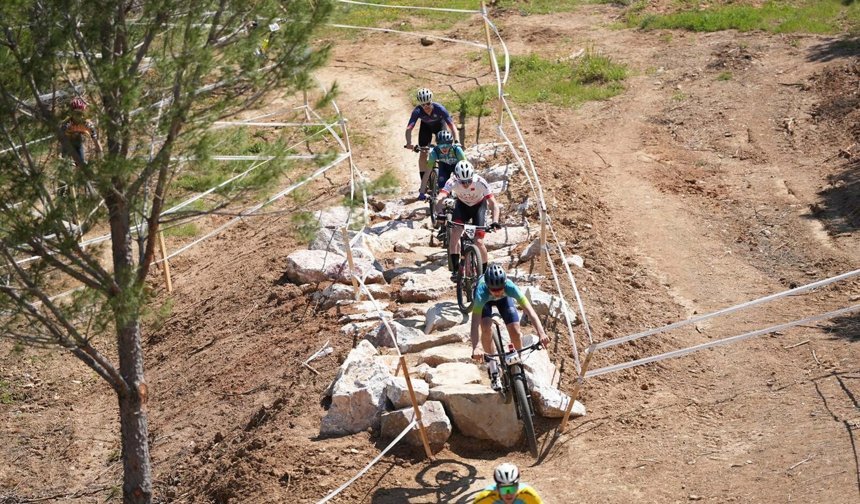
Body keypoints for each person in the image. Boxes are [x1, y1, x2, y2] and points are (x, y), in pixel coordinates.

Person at [470, 264, 550, 390]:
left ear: (505, 283)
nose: (497, 293)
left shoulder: (510, 287)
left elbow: (530, 312)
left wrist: (541, 333)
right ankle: (493, 368)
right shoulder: (481, 292)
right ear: (487, 286)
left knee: (516, 331)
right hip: (485, 302)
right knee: (485, 326)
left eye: (500, 289)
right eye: (494, 290)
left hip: (504, 300)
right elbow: (475, 324)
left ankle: (517, 362)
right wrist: (476, 346)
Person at [434, 160, 498, 282]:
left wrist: (495, 221)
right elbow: (439, 198)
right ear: (457, 178)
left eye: (468, 181)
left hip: (479, 207)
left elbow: (493, 203)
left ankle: (483, 275)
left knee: (479, 242)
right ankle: (456, 270)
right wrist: (440, 214)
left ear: (472, 177)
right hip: (462, 207)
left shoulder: (480, 182)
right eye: (462, 182)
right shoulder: (452, 181)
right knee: (455, 236)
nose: (466, 184)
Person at [404, 87, 459, 200]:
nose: (426, 107)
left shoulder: (440, 109)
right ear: (420, 105)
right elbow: (409, 128)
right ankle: (424, 182)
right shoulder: (417, 111)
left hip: (440, 126)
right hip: (426, 129)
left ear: (431, 101)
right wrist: (409, 143)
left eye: (428, 103)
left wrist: (457, 141)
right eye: (423, 105)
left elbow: (452, 126)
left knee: (445, 151)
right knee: (423, 153)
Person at [59, 97, 102, 168]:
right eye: (76, 113)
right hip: (67, 141)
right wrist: (59, 154)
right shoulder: (67, 124)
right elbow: (60, 138)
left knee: (81, 165)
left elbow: (96, 141)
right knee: (64, 166)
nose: (79, 117)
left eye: (81, 113)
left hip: (78, 142)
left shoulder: (88, 125)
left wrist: (100, 154)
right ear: (72, 114)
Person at [474, 463, 544, 504]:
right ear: (497, 489)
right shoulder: (484, 498)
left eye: (512, 489)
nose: (508, 494)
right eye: (504, 490)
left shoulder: (529, 495)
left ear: (518, 487)